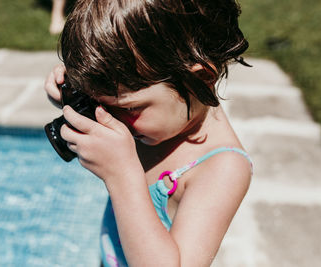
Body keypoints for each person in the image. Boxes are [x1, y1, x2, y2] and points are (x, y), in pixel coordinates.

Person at [44, 0, 253, 266]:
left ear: (200, 78)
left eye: (129, 107)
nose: (113, 121)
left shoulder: (222, 168)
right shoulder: (152, 120)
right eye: (102, 104)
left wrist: (122, 176)